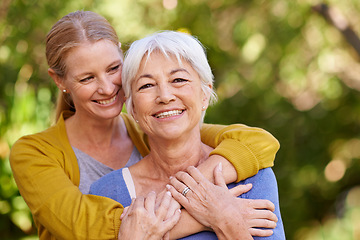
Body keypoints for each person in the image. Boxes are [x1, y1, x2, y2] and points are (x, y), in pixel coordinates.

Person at [9, 11, 280, 240]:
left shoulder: (155, 127)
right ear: (59, 81)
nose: (107, 88)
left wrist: (196, 189)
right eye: (87, 78)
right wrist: (213, 214)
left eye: (114, 68)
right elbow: (86, 226)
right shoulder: (34, 153)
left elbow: (257, 143)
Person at [90, 31, 285, 239]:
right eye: (147, 85)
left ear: (204, 95)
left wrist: (225, 219)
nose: (164, 96)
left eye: (178, 79)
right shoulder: (107, 192)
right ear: (133, 108)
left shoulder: (253, 178)